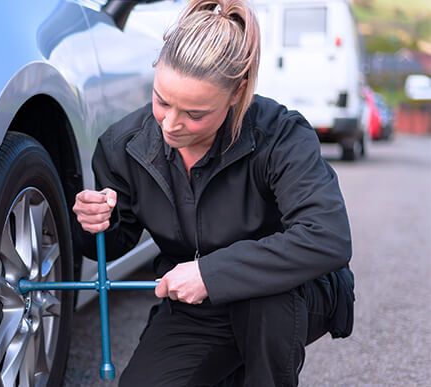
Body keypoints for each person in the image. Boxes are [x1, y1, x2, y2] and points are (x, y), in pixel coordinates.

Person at [72, 0, 355, 385]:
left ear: (237, 93)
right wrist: (93, 225)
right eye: (162, 101)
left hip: (291, 292)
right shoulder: (122, 145)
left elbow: (328, 238)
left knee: (265, 305)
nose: (171, 125)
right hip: (197, 307)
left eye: (195, 114)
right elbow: (117, 241)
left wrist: (211, 272)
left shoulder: (282, 136)